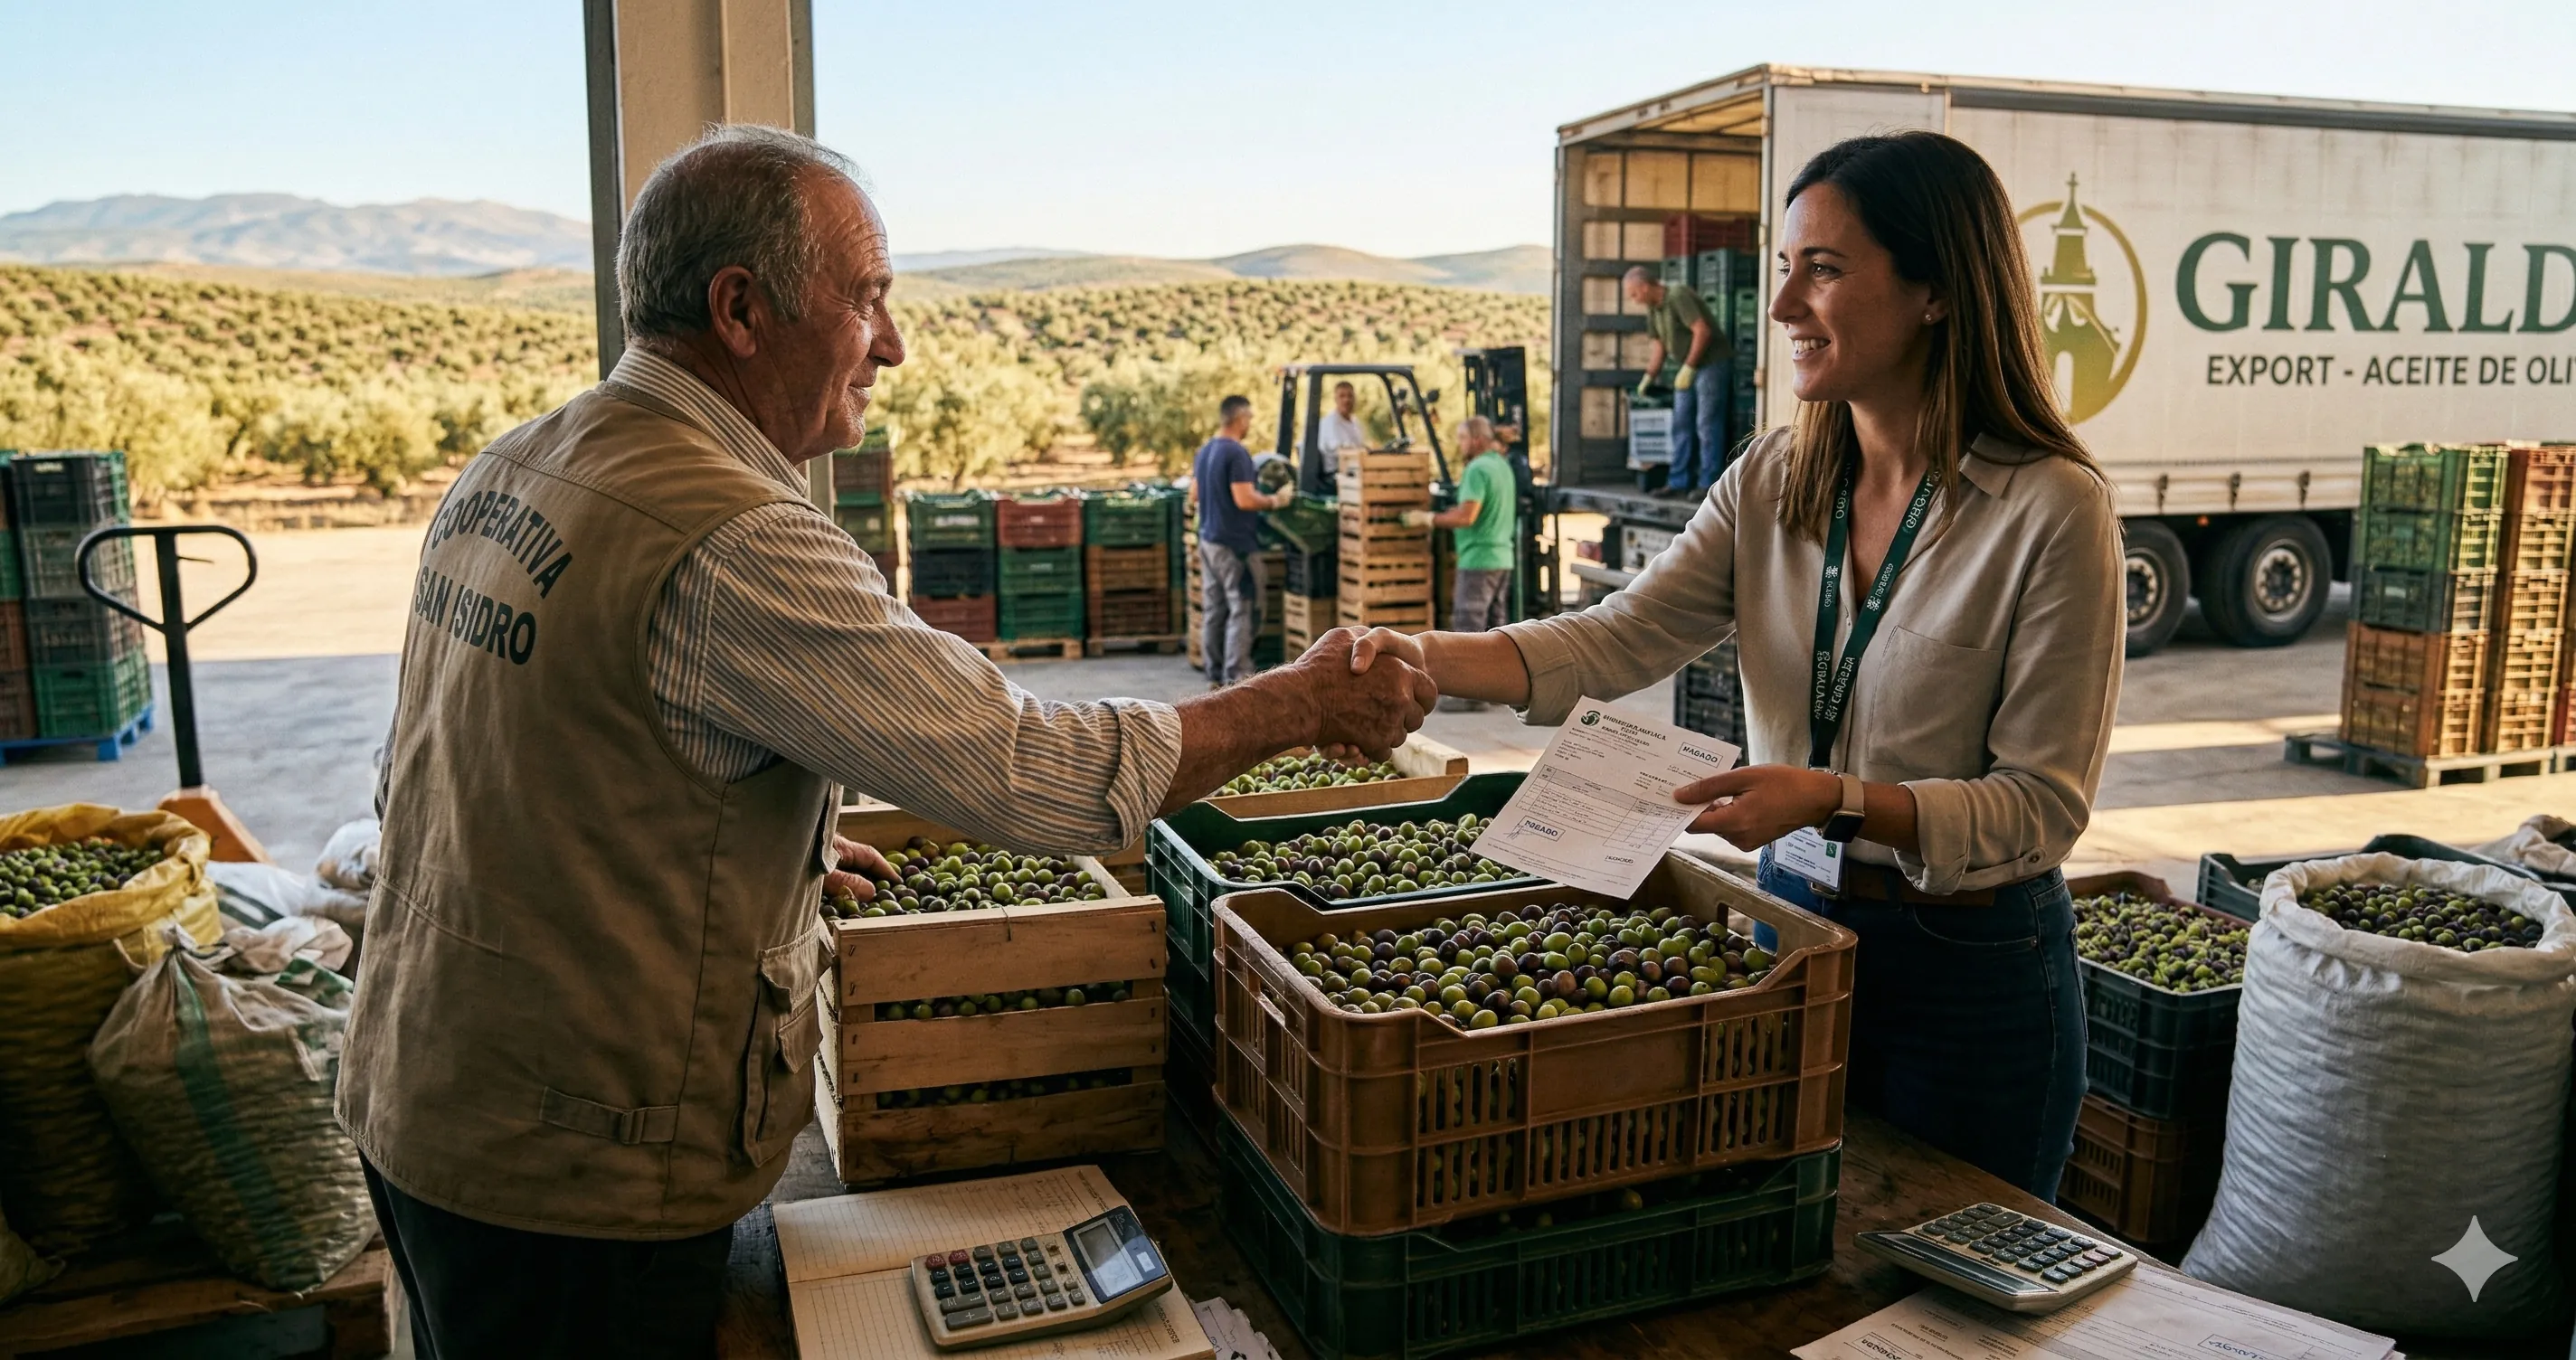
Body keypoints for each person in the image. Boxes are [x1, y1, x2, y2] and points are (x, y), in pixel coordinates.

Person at [339, 126, 1435, 1360]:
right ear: (742, 309)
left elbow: (486, 777)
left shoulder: (521, 461)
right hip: (574, 1172)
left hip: (424, 1091)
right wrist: (1294, 705)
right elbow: (1032, 773)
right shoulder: (731, 532)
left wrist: (761, 862)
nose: (895, 344)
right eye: (868, 300)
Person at [1352, 131, 2123, 1199]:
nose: (1781, 310)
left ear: (1937, 291)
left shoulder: (2049, 511)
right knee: (1789, 1247)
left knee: (1950, 1292)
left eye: (1826, 269)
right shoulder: (1772, 479)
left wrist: (1837, 799)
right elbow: (1615, 636)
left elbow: (2039, 807)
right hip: (1788, 930)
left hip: (1972, 973)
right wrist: (1418, 651)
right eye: (1784, 268)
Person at [1196, 394, 1294, 686]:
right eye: (1249, 419)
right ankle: (1237, 679)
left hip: (1209, 541)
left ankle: (1214, 675)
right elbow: (1244, 499)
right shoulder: (1237, 453)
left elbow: (1194, 494)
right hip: (1235, 545)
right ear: (1240, 419)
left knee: (1215, 609)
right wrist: (1275, 500)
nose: (1250, 424)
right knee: (1245, 607)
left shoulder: (1206, 450)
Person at [1420, 416, 1517, 712]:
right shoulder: (1502, 466)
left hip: (1479, 560)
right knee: (1496, 631)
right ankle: (1498, 692)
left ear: (1476, 439)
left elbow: (1467, 517)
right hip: (1502, 557)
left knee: (1468, 628)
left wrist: (1431, 519)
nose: (1460, 445)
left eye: (1462, 438)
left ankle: (1467, 695)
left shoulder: (1477, 469)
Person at [1626, 265, 1731, 497]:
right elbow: (1659, 347)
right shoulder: (1653, 309)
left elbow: (1702, 331)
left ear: (1644, 286)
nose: (1634, 300)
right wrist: (1648, 377)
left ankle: (1709, 484)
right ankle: (1678, 481)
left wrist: (1690, 367)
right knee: (1681, 423)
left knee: (1706, 423)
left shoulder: (1678, 295)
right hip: (1689, 366)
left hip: (1711, 363)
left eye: (1634, 294)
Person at [1316, 380, 1368, 462]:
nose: (1346, 400)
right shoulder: (1330, 423)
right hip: (1336, 471)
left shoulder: (1355, 422)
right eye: (1342, 396)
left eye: (1350, 396)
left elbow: (1360, 446)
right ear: (1336, 399)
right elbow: (1339, 451)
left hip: (1353, 467)